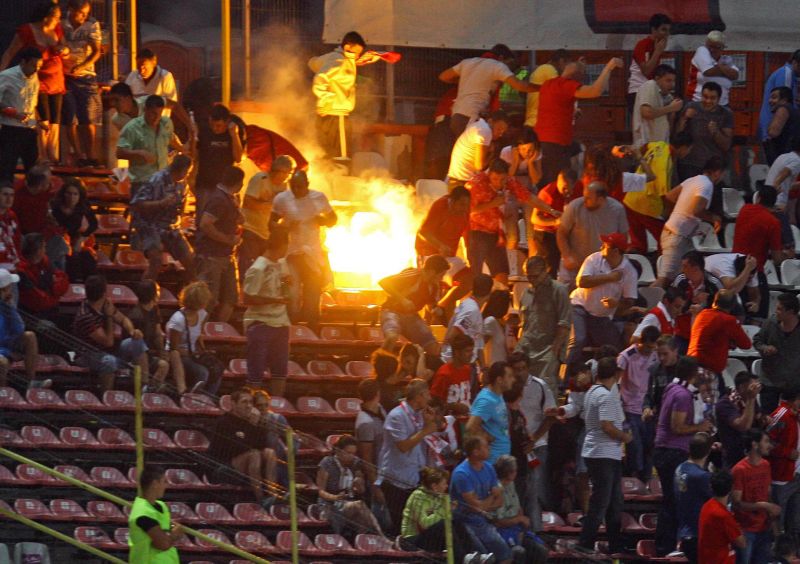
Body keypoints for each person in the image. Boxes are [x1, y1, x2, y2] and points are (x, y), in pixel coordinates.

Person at [653, 356, 714, 556]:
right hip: (672, 451)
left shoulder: (673, 389)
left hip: (666, 450)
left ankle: (666, 546)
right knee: (672, 501)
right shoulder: (682, 395)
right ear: (693, 373)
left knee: (671, 501)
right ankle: (665, 548)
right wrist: (701, 427)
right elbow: (677, 426)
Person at [465, 159, 558, 284]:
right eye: (495, 179)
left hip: (495, 233)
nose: (499, 183)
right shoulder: (476, 184)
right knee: (474, 274)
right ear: (489, 175)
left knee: (502, 274)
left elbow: (529, 197)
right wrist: (493, 204)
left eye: (502, 179)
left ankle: (499, 298)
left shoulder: (509, 182)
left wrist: (552, 211)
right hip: (476, 232)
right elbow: (467, 209)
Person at [535, 57, 624, 186]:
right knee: (555, 183)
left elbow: (556, 105)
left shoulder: (548, 84)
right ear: (578, 78)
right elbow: (596, 90)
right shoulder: (567, 85)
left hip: (542, 140)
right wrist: (609, 67)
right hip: (556, 143)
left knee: (577, 150)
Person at [575, 357, 631, 556]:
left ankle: (615, 543)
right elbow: (606, 425)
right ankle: (585, 541)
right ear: (616, 374)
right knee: (601, 500)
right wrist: (625, 437)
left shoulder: (592, 392)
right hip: (603, 453)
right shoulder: (606, 396)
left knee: (614, 500)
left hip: (604, 453)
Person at [0, 1, 67, 164]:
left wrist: (64, 50)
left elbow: (64, 46)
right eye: (56, 17)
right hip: (37, 78)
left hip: (55, 78)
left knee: (55, 118)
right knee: (43, 115)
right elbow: (9, 53)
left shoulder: (57, 29)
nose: (58, 20)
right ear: (46, 17)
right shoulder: (27, 31)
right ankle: (42, 155)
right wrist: (2, 73)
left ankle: (53, 155)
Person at [270, 170, 336, 332]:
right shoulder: (282, 199)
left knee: (313, 297)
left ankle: (311, 333)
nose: (297, 191)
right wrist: (285, 227)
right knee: (291, 295)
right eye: (294, 187)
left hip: (313, 255)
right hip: (291, 254)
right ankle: (291, 332)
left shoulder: (318, 197)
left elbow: (333, 219)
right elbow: (270, 224)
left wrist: (323, 220)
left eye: (300, 187)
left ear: (307, 185)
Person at [564, 233, 638, 377]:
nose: (601, 247)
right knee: (578, 339)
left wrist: (616, 304)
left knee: (615, 347)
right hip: (579, 305)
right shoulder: (594, 258)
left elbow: (630, 301)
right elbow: (582, 282)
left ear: (615, 251)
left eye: (605, 245)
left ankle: (613, 381)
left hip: (601, 315)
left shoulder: (629, 271)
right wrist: (609, 277)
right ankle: (563, 380)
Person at [377, 378, 437, 535]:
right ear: (418, 396)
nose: (430, 398)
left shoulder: (419, 415)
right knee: (401, 528)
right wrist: (426, 430)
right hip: (396, 479)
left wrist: (427, 424)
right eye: (427, 395)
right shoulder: (397, 416)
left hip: (413, 477)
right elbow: (403, 446)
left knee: (415, 526)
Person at [439, 44, 541, 136]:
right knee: (476, 151)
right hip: (472, 116)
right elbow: (519, 85)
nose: (510, 68)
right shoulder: (497, 66)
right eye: (509, 63)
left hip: (456, 116)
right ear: (501, 58)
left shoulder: (468, 62)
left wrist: (466, 82)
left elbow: (443, 76)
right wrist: (542, 87)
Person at [654, 156, 725, 286]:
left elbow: (669, 197)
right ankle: (642, 304)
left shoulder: (692, 180)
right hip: (677, 236)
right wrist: (714, 218)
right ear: (717, 172)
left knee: (692, 272)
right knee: (665, 280)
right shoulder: (707, 185)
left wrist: (674, 214)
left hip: (678, 234)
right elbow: (696, 211)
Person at [308, 31, 379, 158]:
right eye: (357, 53)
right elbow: (320, 80)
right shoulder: (339, 61)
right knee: (340, 157)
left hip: (330, 115)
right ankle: (337, 176)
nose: (358, 56)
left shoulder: (334, 58)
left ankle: (328, 176)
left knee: (329, 154)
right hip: (336, 115)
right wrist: (328, 99)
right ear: (348, 48)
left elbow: (314, 64)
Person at [71, 275, 147, 391]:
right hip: (87, 355)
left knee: (137, 342)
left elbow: (123, 319)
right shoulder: (85, 316)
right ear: (103, 293)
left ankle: (144, 387)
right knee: (109, 362)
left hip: (108, 352)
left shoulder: (105, 304)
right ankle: (107, 398)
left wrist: (132, 331)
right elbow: (108, 342)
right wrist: (109, 316)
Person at [623, 132, 694, 254]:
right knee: (665, 243)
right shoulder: (665, 163)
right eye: (689, 150)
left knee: (637, 245)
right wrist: (670, 216)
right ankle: (661, 269)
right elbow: (664, 195)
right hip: (646, 205)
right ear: (683, 147)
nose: (688, 153)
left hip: (630, 200)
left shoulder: (660, 145)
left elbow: (645, 146)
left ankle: (638, 268)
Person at [510, 352, 556, 534]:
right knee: (517, 491)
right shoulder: (508, 386)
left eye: (522, 369)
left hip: (537, 446)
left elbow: (550, 417)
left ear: (528, 368)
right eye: (515, 370)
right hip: (515, 448)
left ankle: (536, 532)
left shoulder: (540, 386)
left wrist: (534, 439)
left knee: (534, 490)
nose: (519, 373)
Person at [207, 388, 278, 504]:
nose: (249, 406)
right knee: (254, 454)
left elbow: (263, 445)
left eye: (251, 402)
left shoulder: (253, 421)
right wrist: (252, 426)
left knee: (269, 452)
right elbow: (237, 449)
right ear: (234, 404)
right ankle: (261, 500)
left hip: (247, 466)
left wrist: (256, 426)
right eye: (244, 402)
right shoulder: (224, 422)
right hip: (222, 469)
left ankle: (272, 494)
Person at [129, 155, 194, 282]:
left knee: (191, 261)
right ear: (182, 169)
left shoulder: (182, 184)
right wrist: (160, 203)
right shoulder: (156, 179)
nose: (187, 174)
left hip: (171, 226)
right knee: (156, 261)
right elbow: (137, 204)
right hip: (150, 225)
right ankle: (146, 291)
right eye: (187, 171)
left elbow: (181, 207)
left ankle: (189, 293)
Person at [242, 227, 290, 398]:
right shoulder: (258, 268)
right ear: (281, 245)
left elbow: (285, 282)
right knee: (256, 370)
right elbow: (247, 298)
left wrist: (287, 288)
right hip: (260, 322)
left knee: (280, 370)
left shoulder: (282, 263)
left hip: (282, 322)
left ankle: (277, 404)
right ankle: (253, 406)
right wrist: (273, 300)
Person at [450, 435, 512, 564]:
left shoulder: (489, 468)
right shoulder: (461, 474)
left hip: (482, 522)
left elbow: (499, 501)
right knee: (482, 559)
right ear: (475, 451)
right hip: (465, 523)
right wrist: (491, 496)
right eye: (485, 446)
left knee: (506, 555)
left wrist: (484, 506)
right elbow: (480, 504)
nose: (489, 448)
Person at [194, 165, 244, 322]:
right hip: (211, 256)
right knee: (208, 299)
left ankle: (217, 332)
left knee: (230, 298)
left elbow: (239, 219)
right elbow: (205, 224)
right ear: (238, 182)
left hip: (226, 255)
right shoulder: (218, 199)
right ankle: (199, 336)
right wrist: (227, 239)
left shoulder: (229, 198)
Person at [556, 181, 629, 288]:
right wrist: (567, 255)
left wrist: (615, 262)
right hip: (574, 265)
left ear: (601, 199)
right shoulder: (575, 206)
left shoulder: (617, 209)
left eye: (589, 198)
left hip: (601, 268)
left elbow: (623, 238)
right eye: (584, 196)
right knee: (566, 294)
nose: (584, 200)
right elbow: (561, 233)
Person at [378, 255, 450, 356]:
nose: (442, 278)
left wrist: (436, 310)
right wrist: (402, 300)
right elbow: (384, 282)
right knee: (392, 337)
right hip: (392, 311)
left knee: (433, 348)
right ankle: (382, 366)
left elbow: (431, 305)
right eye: (441, 275)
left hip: (411, 317)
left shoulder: (434, 287)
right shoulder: (413, 274)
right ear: (432, 272)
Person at [400, 466, 475, 563]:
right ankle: (460, 558)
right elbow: (425, 523)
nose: (446, 486)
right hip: (413, 539)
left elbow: (444, 518)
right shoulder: (418, 496)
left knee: (456, 523)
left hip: (429, 536)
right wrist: (445, 509)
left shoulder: (438, 496)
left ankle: (470, 554)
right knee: (444, 525)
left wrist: (449, 510)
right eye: (444, 483)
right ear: (434, 486)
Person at [316, 434, 385, 537]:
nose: (351, 456)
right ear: (338, 450)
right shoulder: (327, 463)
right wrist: (335, 497)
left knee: (361, 515)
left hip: (347, 504)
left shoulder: (355, 463)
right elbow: (320, 491)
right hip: (328, 505)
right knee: (359, 506)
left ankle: (365, 541)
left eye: (354, 453)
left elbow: (360, 491)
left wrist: (359, 484)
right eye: (348, 453)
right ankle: (382, 537)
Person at [239, 155, 295, 278]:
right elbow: (248, 202)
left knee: (265, 271)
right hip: (251, 230)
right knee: (249, 269)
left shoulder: (283, 187)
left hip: (267, 233)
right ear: (280, 171)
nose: (288, 177)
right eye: (288, 173)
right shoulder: (261, 179)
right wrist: (271, 204)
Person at [61, 0, 102, 167]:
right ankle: (79, 155)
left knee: (88, 117)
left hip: (86, 75)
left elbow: (97, 51)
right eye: (81, 13)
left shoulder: (91, 24)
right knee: (70, 117)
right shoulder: (61, 23)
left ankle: (91, 155)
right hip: (65, 75)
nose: (84, 17)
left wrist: (82, 65)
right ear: (71, 9)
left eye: (86, 14)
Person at [617, 325, 660, 480]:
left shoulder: (656, 356)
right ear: (640, 342)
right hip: (629, 408)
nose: (650, 350)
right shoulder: (626, 356)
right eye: (647, 346)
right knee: (635, 448)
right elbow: (617, 382)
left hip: (647, 409)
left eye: (653, 346)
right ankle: (632, 480)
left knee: (649, 448)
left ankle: (646, 480)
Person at [731, 429, 780, 564]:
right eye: (766, 441)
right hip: (746, 531)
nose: (769, 445)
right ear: (754, 444)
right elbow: (737, 503)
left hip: (764, 529)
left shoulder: (766, 465)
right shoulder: (739, 470)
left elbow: (768, 494)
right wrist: (762, 505)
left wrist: (773, 521)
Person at [116, 95, 185, 189]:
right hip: (141, 182)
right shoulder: (132, 128)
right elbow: (119, 153)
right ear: (145, 110)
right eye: (153, 113)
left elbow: (170, 138)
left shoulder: (166, 123)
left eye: (159, 114)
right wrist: (139, 153)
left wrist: (182, 149)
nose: (156, 118)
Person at [490, 455, 549, 564]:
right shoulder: (496, 489)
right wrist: (519, 519)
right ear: (509, 472)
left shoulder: (511, 484)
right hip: (501, 533)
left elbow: (518, 507)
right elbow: (497, 522)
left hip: (516, 530)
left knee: (541, 550)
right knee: (519, 552)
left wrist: (521, 524)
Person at [165, 281, 219, 396]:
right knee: (202, 373)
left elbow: (198, 333)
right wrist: (192, 353)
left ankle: (208, 397)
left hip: (193, 353)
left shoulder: (202, 314)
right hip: (179, 356)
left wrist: (203, 351)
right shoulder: (178, 320)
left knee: (217, 369)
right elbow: (173, 348)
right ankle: (191, 398)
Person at [0, 48, 42, 183]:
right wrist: (13, 113)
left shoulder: (35, 77)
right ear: (24, 62)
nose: (36, 69)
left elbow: (33, 102)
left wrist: (37, 122)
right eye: (33, 65)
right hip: (10, 128)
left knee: (33, 170)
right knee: (7, 167)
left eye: (38, 66)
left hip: (29, 128)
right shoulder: (6, 76)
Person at [675, 83, 733, 181]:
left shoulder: (726, 114)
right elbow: (677, 133)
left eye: (712, 98)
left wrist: (716, 132)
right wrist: (684, 118)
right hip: (689, 163)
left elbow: (726, 145)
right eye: (705, 97)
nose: (708, 101)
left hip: (712, 166)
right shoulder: (691, 107)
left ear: (719, 99)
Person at [687, 289, 752, 377]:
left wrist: (727, 342)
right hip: (706, 370)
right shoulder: (729, 320)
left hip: (690, 364)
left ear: (715, 301)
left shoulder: (702, 314)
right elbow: (746, 344)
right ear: (732, 306)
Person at [754, 292, 800, 414]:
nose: (776, 312)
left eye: (780, 309)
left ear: (790, 312)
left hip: (793, 382)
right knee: (768, 417)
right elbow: (757, 340)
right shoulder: (770, 323)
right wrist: (764, 348)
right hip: (770, 379)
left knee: (792, 418)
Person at [194, 103, 246, 208]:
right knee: (203, 217)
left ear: (227, 122)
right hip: (204, 182)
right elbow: (195, 155)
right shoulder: (203, 128)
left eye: (219, 126)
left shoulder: (237, 129)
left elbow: (238, 158)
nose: (215, 129)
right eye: (212, 125)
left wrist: (234, 135)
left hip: (226, 184)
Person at [128, 465, 183, 564]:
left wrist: (171, 532)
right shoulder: (142, 513)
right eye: (164, 481)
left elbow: (166, 529)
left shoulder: (161, 506)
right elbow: (163, 544)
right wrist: (174, 535)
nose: (166, 485)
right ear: (155, 484)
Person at [531, 168, 580, 277]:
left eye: (569, 188)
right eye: (564, 188)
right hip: (546, 232)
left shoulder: (579, 189)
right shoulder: (547, 193)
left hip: (567, 232)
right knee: (550, 265)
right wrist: (554, 222)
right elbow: (534, 218)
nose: (566, 191)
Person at [671, 250, 724, 350]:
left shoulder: (714, 284)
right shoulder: (680, 280)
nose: (682, 269)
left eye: (685, 266)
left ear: (695, 269)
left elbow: (723, 311)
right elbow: (673, 306)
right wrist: (691, 302)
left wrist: (708, 302)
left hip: (707, 334)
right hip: (683, 333)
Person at [0, 268, 43, 390]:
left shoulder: (6, 307)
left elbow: (19, 329)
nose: (12, 290)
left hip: (5, 347)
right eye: (9, 287)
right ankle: (3, 399)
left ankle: (30, 381)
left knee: (29, 336)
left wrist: (9, 307)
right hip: (2, 351)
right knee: (1, 363)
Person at [766, 390, 800, 542]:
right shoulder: (780, 415)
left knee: (794, 522)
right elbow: (767, 443)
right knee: (778, 522)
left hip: (796, 474)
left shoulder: (796, 415)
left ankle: (792, 553)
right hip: (782, 478)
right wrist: (787, 452)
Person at [675, 433, 713, 564]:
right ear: (708, 452)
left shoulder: (679, 469)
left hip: (684, 532)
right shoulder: (702, 476)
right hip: (699, 533)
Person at [466, 361, 515, 464]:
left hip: (502, 458)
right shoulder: (486, 400)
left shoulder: (498, 394)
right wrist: (486, 437)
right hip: (493, 461)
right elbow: (470, 427)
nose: (513, 380)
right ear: (499, 380)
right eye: (510, 376)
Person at [49, 176, 97, 280]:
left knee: (87, 258)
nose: (72, 197)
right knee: (72, 259)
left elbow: (93, 224)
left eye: (75, 194)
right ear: (63, 194)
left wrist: (81, 238)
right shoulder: (55, 208)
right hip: (60, 243)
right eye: (69, 193)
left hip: (78, 242)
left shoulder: (84, 207)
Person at [446, 110, 509, 189]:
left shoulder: (479, 125)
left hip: (456, 177)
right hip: (462, 182)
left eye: (503, 132)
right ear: (490, 121)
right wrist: (491, 154)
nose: (500, 134)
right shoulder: (485, 131)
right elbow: (479, 166)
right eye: (499, 129)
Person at [732, 184, 785, 277]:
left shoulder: (744, 209)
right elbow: (777, 258)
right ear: (774, 202)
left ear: (759, 198)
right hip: (754, 270)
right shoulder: (773, 222)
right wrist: (786, 256)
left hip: (734, 264)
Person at [441, 273, 493, 367]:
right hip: (456, 365)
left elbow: (479, 344)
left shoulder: (470, 306)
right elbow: (451, 336)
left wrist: (483, 368)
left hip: (464, 364)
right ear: (489, 294)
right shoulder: (471, 311)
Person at [127, 280, 169, 393]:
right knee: (161, 365)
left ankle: (153, 390)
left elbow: (158, 333)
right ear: (153, 296)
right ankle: (146, 389)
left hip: (150, 352)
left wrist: (162, 352)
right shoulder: (136, 315)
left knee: (167, 362)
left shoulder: (154, 310)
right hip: (136, 354)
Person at [758, 50, 800, 161]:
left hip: (775, 132)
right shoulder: (786, 73)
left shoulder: (790, 75)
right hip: (777, 133)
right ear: (795, 63)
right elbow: (784, 104)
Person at [16, 232, 68, 320]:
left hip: (50, 309)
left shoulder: (44, 261)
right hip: (32, 317)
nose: (46, 250)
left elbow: (64, 278)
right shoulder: (21, 272)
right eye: (44, 247)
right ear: (39, 250)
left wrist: (53, 289)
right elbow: (37, 302)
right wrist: (54, 292)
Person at [715, 371, 761, 469]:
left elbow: (757, 417)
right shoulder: (725, 404)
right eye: (753, 386)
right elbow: (743, 426)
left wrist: (764, 418)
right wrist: (751, 399)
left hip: (751, 453)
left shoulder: (750, 398)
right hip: (733, 457)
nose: (757, 390)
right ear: (742, 387)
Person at [354, 378, 387, 513]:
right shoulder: (365, 423)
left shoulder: (380, 410)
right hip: (376, 476)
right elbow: (366, 458)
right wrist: (375, 487)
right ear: (378, 393)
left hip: (385, 470)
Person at [698, 470, 746, 564]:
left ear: (711, 487)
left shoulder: (706, 507)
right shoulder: (723, 515)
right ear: (731, 488)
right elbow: (742, 543)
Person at [627, 13, 672, 107]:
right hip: (637, 91)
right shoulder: (643, 44)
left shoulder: (658, 47)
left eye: (668, 30)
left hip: (650, 91)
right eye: (663, 30)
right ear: (654, 30)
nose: (667, 34)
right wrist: (657, 52)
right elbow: (646, 71)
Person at [632, 64, 683, 146]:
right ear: (657, 79)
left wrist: (673, 112)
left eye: (673, 81)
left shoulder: (668, 97)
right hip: (646, 146)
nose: (672, 84)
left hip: (660, 145)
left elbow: (668, 127)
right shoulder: (650, 85)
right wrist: (671, 108)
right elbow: (646, 113)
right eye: (668, 81)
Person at [687, 31, 740, 108]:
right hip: (698, 103)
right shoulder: (702, 51)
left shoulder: (726, 59)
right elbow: (708, 71)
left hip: (722, 105)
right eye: (710, 46)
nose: (712, 50)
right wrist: (726, 71)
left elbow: (735, 75)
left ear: (722, 48)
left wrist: (719, 66)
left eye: (716, 47)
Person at [524, 49, 569, 128]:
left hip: (535, 122)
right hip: (538, 122)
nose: (567, 68)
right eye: (567, 64)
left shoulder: (543, 68)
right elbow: (561, 91)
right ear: (561, 61)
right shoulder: (548, 69)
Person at [124, 48, 178, 113]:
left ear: (154, 63)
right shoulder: (133, 75)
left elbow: (173, 104)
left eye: (144, 67)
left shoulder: (165, 76)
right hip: (137, 121)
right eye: (138, 67)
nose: (141, 71)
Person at [431, 333, 475, 411]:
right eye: (467, 351)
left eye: (472, 350)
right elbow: (434, 403)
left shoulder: (468, 369)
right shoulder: (444, 374)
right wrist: (452, 406)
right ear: (457, 353)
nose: (471, 354)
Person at [643, 335, 680, 418]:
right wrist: (647, 408)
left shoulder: (686, 368)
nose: (661, 358)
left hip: (682, 416)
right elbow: (649, 394)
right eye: (659, 354)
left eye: (665, 354)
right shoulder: (655, 370)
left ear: (675, 351)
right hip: (662, 418)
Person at [13, 165, 56, 237]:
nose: (51, 183)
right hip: (22, 236)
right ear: (40, 185)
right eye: (48, 182)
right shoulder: (16, 194)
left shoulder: (50, 193)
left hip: (43, 235)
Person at [762, 86, 800, 166]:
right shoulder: (794, 111)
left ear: (784, 100)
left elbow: (773, 132)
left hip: (785, 159)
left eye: (774, 97)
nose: (770, 101)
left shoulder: (783, 108)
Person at [765, 137, 800, 214]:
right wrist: (777, 205)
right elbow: (778, 180)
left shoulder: (784, 156)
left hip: (769, 200)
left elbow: (787, 185)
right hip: (777, 202)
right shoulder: (797, 161)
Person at [482, 289, 512, 366]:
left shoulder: (504, 323)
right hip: (493, 367)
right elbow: (480, 345)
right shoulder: (490, 321)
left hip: (504, 366)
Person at [0, 185, 21, 282]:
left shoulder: (12, 216)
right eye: (5, 194)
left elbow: (16, 242)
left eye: (12, 195)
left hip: (11, 266)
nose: (9, 199)